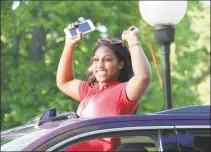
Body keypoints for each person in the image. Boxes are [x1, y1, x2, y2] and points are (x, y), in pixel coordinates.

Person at [56, 23, 152, 151]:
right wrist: (70, 43)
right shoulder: (89, 90)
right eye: (96, 60)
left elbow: (143, 77)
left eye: (107, 60)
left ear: (120, 65)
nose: (100, 65)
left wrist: (132, 39)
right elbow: (64, 82)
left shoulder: (122, 92)